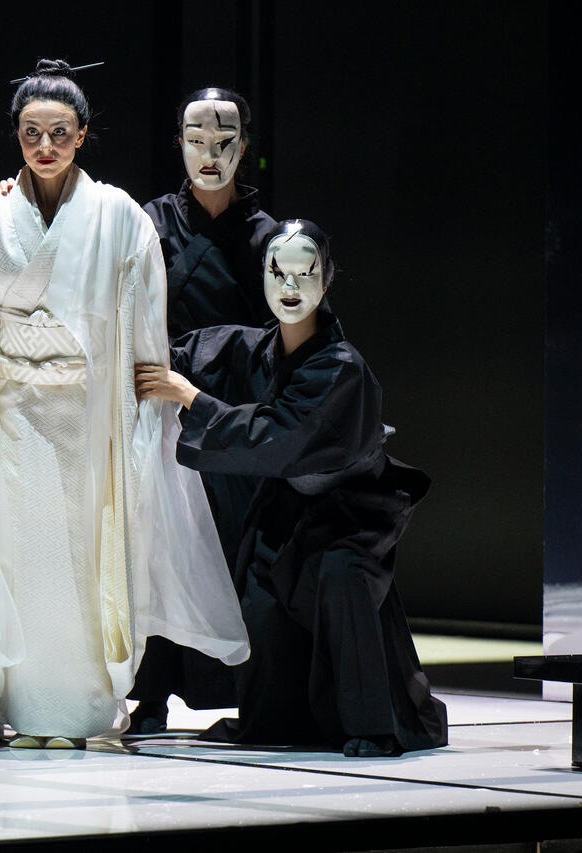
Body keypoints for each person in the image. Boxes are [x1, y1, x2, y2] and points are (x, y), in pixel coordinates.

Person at [0, 60, 249, 749]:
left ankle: (84, 709)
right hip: (9, 414)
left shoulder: (118, 214)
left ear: (83, 134)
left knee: (84, 559)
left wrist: (143, 412)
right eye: (31, 132)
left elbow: (143, 317)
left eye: (60, 133)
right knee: (15, 558)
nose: (45, 146)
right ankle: (22, 704)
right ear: (16, 134)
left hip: (88, 415)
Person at [134, 219, 448, 756]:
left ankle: (373, 725)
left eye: (306, 273)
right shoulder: (255, 349)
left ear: (327, 280)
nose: (290, 286)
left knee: (341, 576)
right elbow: (176, 354)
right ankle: (273, 722)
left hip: (351, 515)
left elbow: (280, 436)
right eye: (278, 272)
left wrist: (190, 398)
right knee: (260, 596)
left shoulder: (342, 367)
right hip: (290, 509)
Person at [129, 87, 279, 734]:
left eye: (224, 142)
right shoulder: (150, 223)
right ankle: (150, 698)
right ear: (180, 145)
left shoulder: (268, 238)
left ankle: (254, 698)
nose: (209, 155)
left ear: (245, 147)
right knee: (161, 552)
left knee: (240, 556)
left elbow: (283, 338)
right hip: (162, 414)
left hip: (235, 417)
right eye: (196, 142)